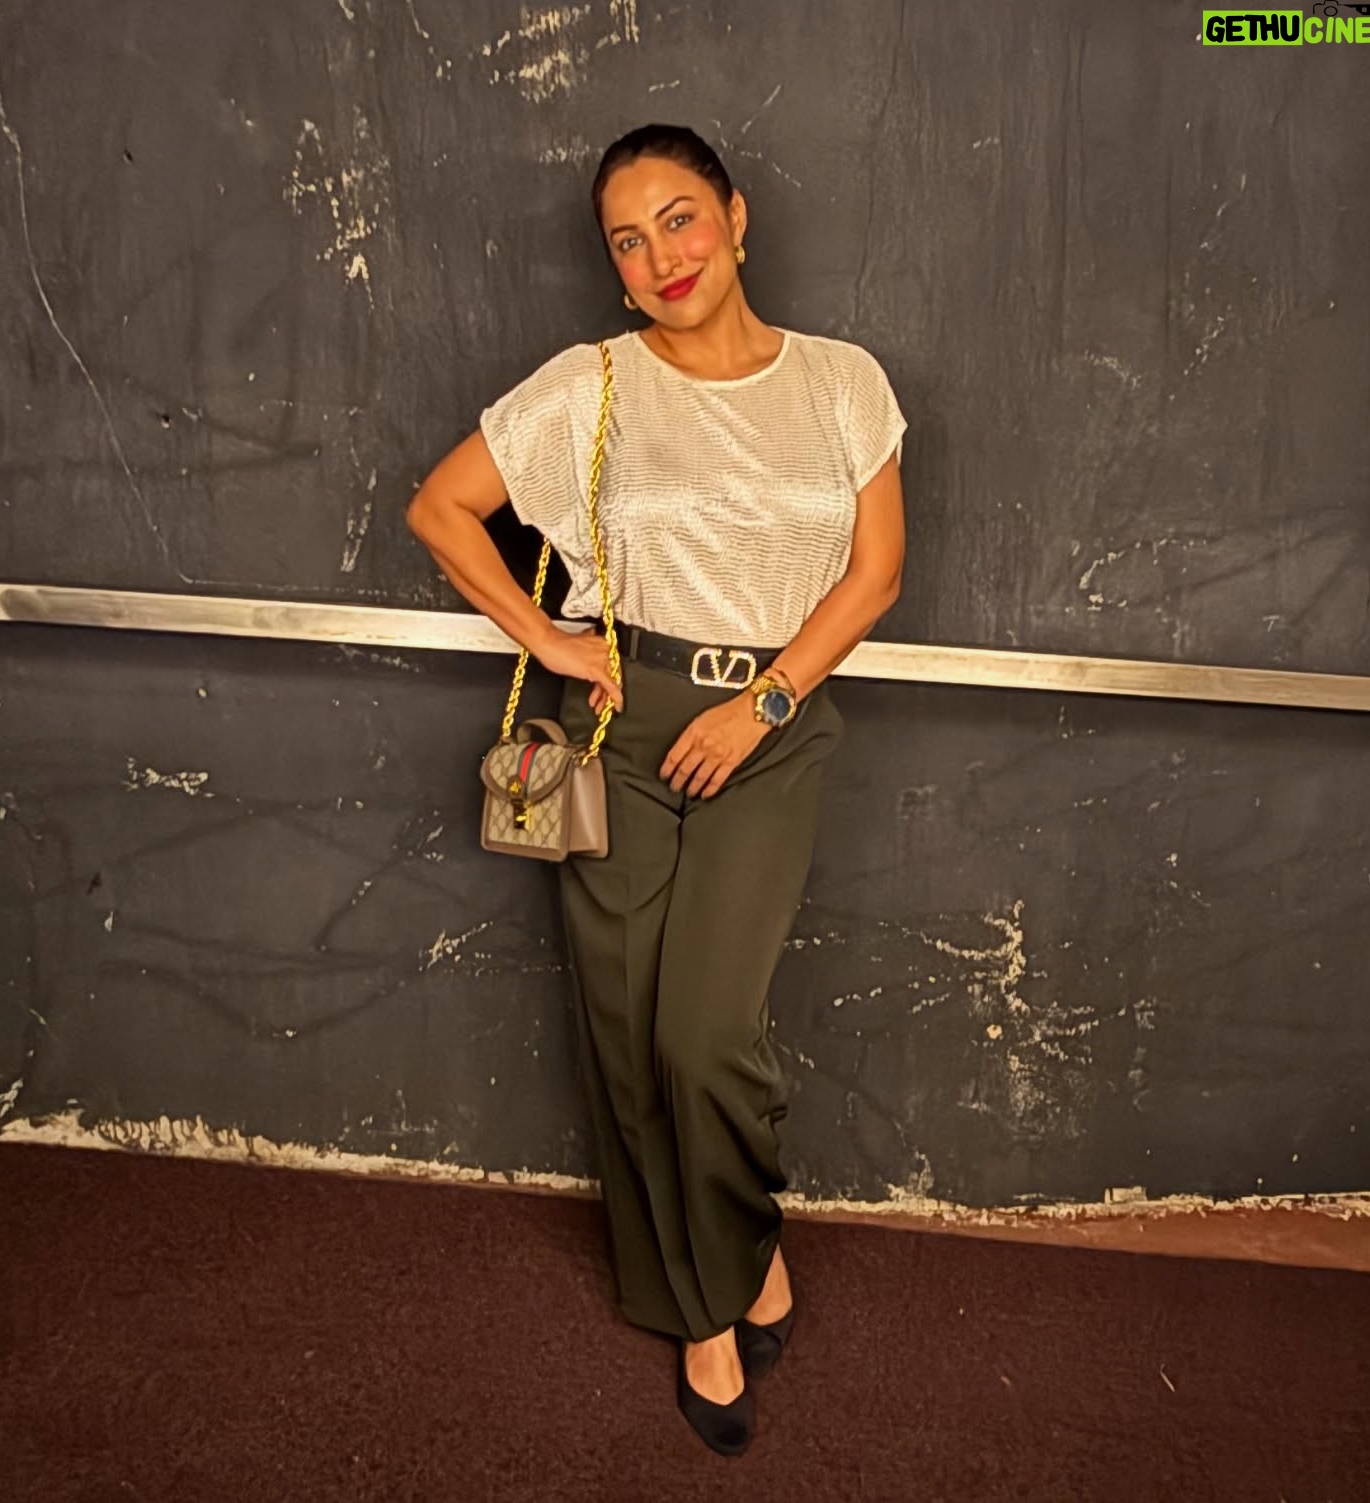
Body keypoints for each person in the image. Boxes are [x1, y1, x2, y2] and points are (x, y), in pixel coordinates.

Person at [406, 123, 906, 1457]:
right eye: (627, 241)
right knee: (628, 1038)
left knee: (705, 1036)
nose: (660, 256)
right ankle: (702, 1311)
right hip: (621, 729)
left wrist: (764, 704)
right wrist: (551, 639)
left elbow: (875, 573)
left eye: (680, 219)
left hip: (770, 728)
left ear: (736, 218)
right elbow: (441, 508)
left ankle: (742, 1242)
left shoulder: (842, 381)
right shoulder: (591, 383)